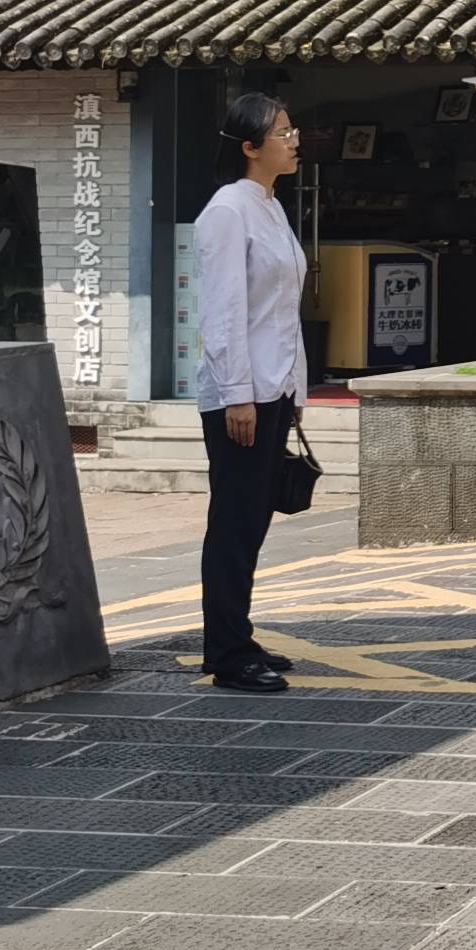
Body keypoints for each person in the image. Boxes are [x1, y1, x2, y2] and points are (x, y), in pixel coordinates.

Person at [192, 90, 307, 695]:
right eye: (281, 132)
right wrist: (237, 392)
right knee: (235, 523)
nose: (293, 140)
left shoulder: (270, 207)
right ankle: (228, 652)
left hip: (274, 389)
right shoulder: (227, 211)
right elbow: (224, 312)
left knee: (254, 520)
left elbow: (282, 313)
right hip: (242, 396)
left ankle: (239, 633)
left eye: (293, 129)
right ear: (248, 147)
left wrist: (296, 389)